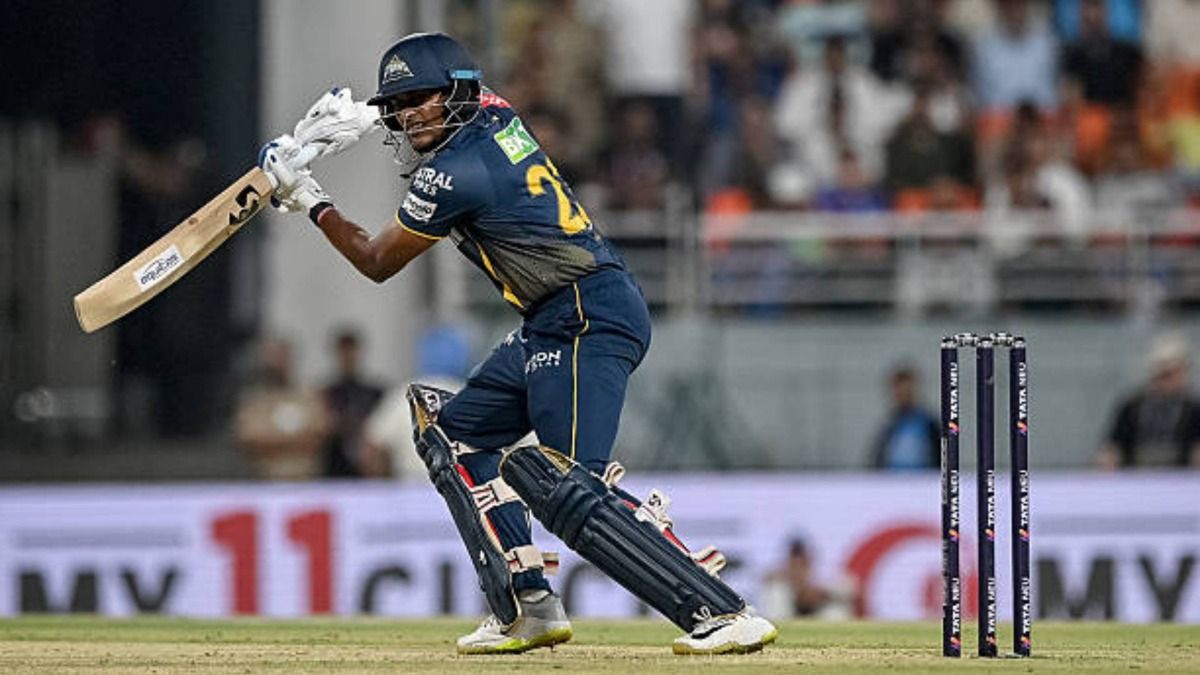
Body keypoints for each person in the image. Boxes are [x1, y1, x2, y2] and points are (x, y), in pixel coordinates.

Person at [257, 33, 776, 656]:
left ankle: (721, 611)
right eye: (399, 105)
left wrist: (309, 195)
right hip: (553, 317)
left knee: (566, 484)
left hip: (588, 314)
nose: (410, 114)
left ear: (458, 92)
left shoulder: (453, 174)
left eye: (422, 98)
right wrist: (358, 119)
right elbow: (454, 97)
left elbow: (375, 261)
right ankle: (527, 606)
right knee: (455, 433)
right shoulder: (496, 113)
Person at [1099, 333, 1200, 470]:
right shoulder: (1132, 406)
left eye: (1176, 373)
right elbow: (1114, 445)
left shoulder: (1193, 408)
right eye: (1165, 374)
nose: (1170, 380)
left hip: (1179, 475)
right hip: (1136, 474)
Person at [319, 328, 385, 478]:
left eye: (351, 351)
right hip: (334, 467)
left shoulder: (375, 393)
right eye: (344, 352)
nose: (348, 357)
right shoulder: (326, 394)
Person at [870, 364, 941, 471]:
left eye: (907, 391)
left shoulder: (929, 424)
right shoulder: (890, 426)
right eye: (899, 392)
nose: (903, 396)